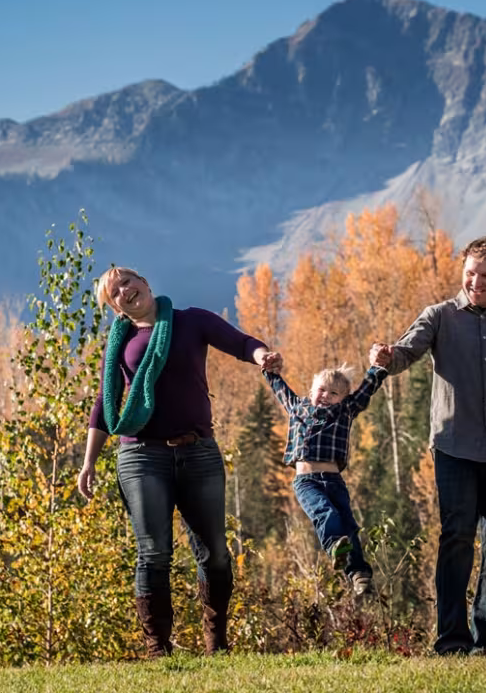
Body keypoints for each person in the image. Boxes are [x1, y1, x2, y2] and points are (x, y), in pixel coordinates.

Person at [370, 236, 486, 656]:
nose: (476, 281)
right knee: (456, 537)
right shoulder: (439, 317)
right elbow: (408, 349)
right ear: (463, 273)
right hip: (454, 448)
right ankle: (452, 640)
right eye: (470, 273)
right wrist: (387, 358)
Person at [78, 266, 281, 658]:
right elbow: (105, 406)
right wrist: (89, 462)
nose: (125, 290)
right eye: (115, 291)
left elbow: (239, 342)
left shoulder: (191, 322)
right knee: (153, 552)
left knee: (215, 553)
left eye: (128, 281)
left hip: (198, 451)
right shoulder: (121, 343)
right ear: (115, 308)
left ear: (146, 282)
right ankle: (158, 648)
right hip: (141, 456)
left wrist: (262, 356)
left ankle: (216, 641)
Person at [262, 354, 388, 597]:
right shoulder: (297, 406)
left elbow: (367, 389)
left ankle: (359, 575)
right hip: (306, 482)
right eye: (321, 390)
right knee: (324, 512)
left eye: (334, 394)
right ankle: (333, 547)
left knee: (349, 525)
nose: (326, 396)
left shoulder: (346, 410)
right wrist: (269, 368)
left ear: (342, 398)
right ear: (311, 390)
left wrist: (378, 367)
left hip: (334, 481)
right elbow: (278, 386)